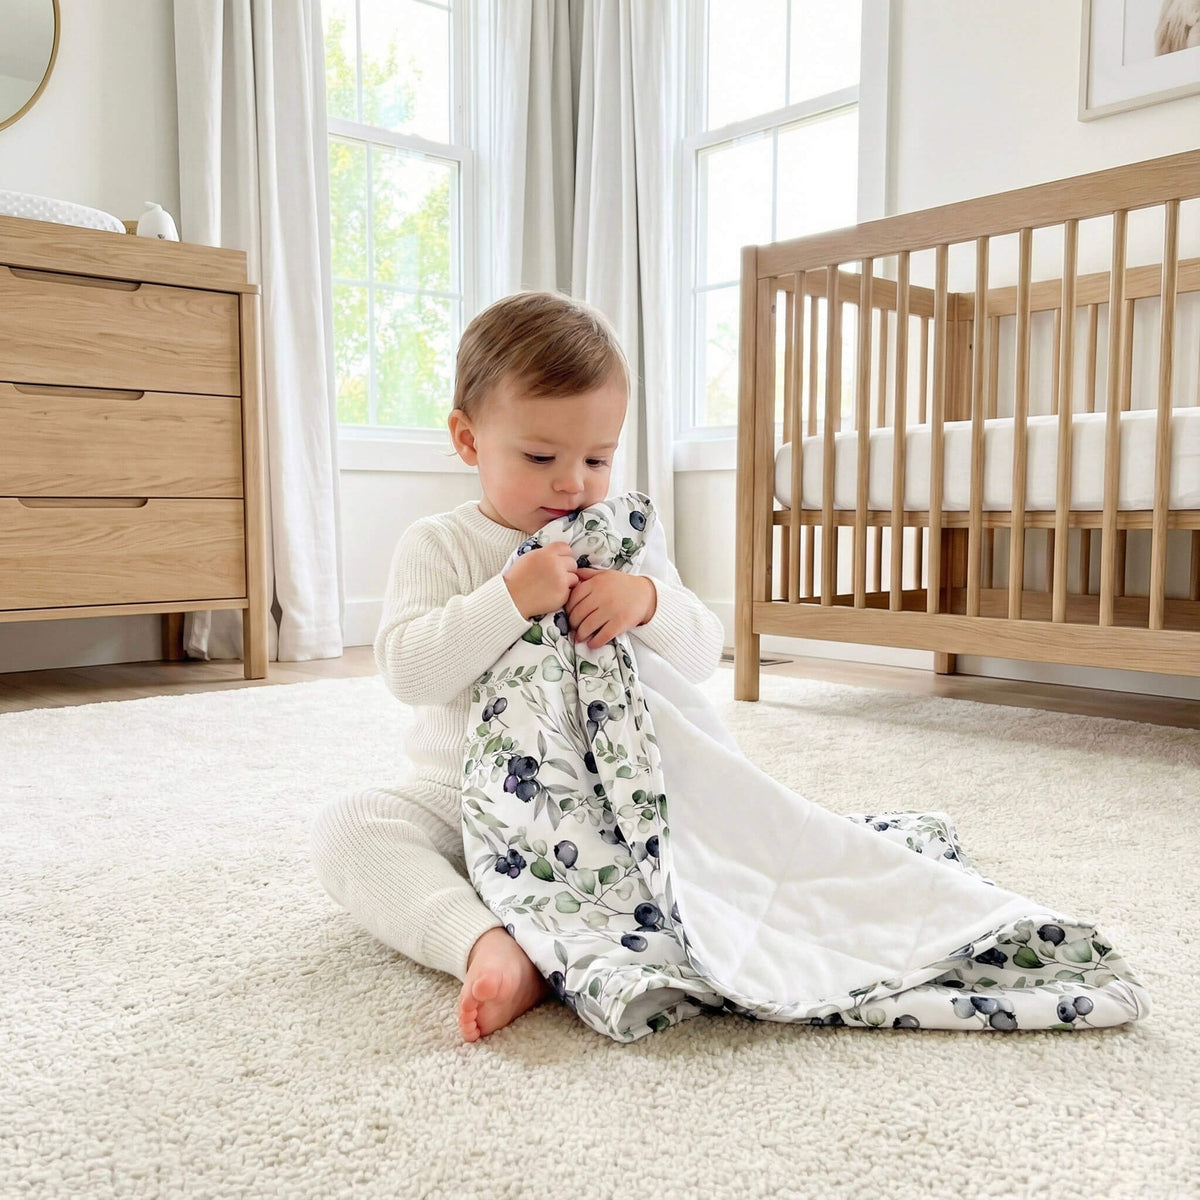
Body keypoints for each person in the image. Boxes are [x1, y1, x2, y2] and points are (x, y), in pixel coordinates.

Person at [309, 290, 725, 1042]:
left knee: (721, 855)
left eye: (597, 458)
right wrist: (507, 599)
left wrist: (647, 600)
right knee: (350, 827)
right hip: (463, 795)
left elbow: (700, 655)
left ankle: (564, 921)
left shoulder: (622, 541)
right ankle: (487, 943)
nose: (574, 483)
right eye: (540, 457)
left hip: (604, 805)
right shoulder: (440, 545)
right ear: (468, 439)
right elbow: (408, 671)